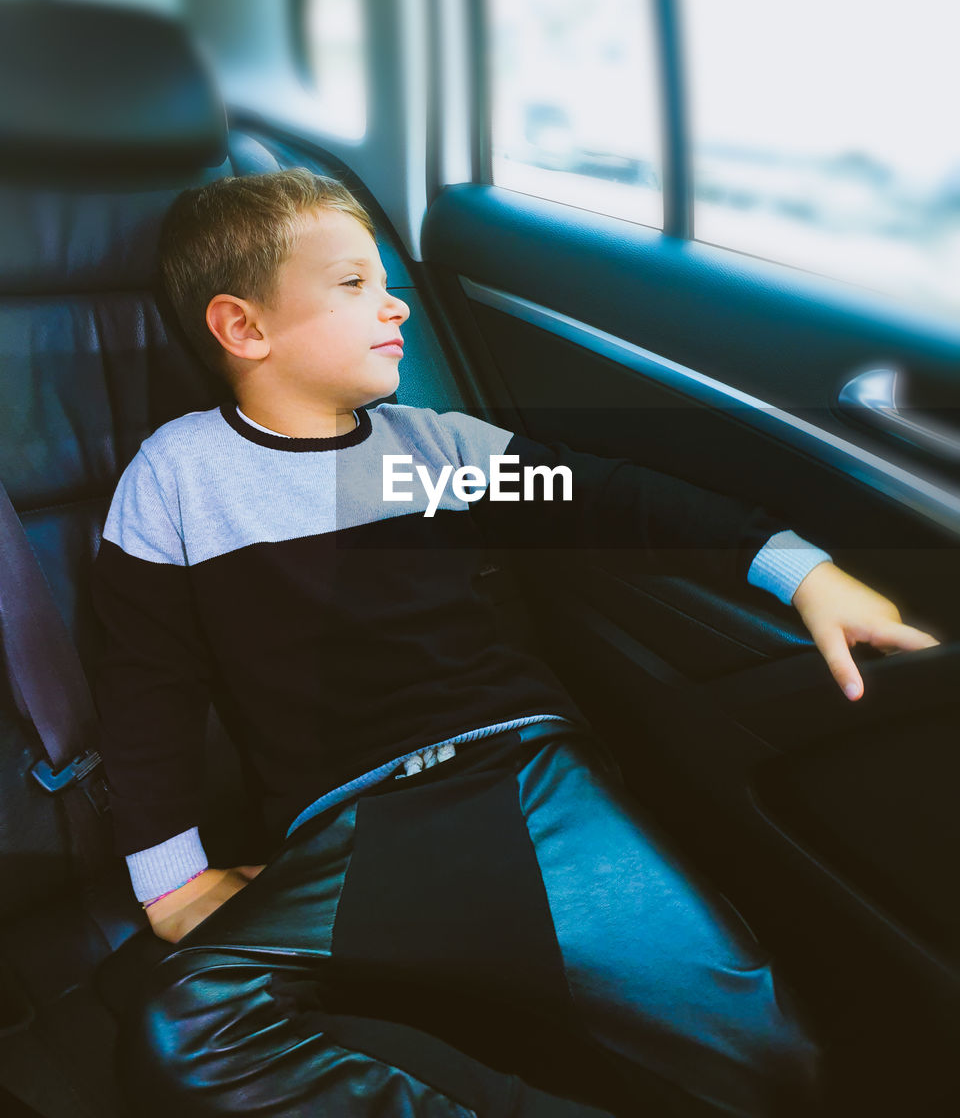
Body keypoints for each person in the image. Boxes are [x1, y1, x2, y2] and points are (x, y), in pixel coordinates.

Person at [90, 169, 939, 1118]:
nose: (396, 305)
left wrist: (798, 569)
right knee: (186, 1033)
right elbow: (143, 681)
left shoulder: (430, 452)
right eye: (354, 285)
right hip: (353, 830)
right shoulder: (178, 479)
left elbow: (615, 500)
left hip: (538, 788)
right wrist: (172, 879)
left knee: (778, 1067)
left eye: (386, 281)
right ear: (244, 329)